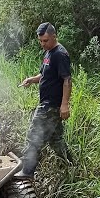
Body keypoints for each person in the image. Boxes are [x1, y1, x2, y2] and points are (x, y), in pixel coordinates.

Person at [16, 22, 73, 180]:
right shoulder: (49, 53)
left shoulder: (59, 54)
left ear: (54, 36)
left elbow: (67, 80)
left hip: (51, 105)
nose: (42, 44)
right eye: (40, 41)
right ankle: (71, 166)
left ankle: (27, 171)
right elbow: (44, 75)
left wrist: (64, 105)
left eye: (45, 40)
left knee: (34, 136)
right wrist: (31, 80)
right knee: (56, 140)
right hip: (48, 103)